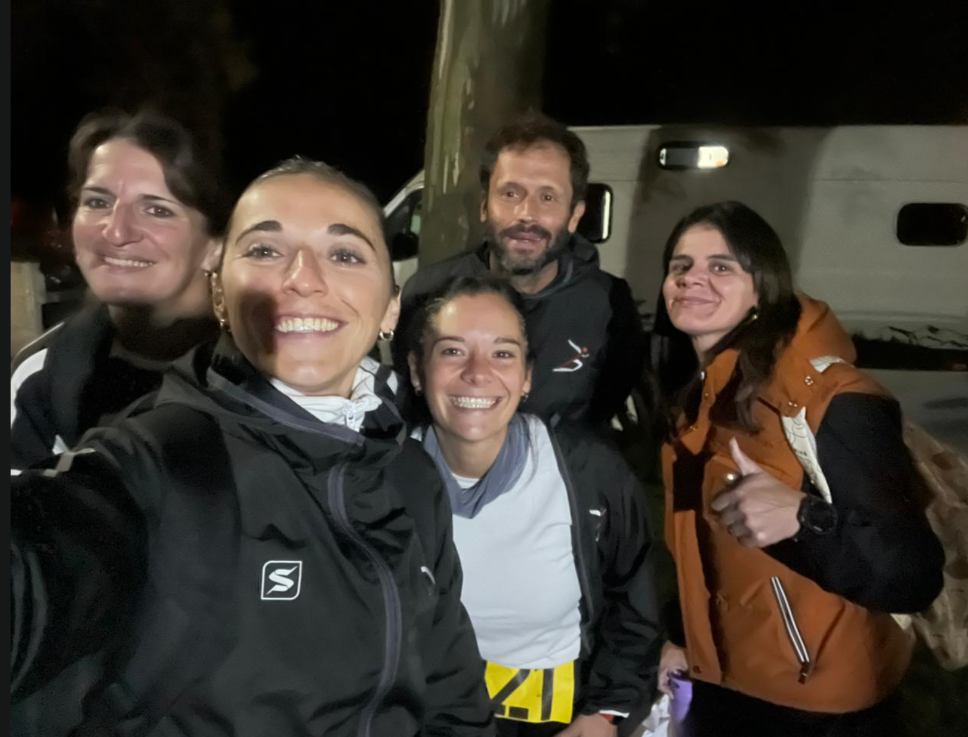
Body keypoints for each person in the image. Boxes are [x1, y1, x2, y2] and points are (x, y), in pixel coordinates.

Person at [11, 159, 494, 737]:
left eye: (344, 254)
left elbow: (452, 688)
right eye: (265, 250)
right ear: (219, 293)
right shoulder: (164, 465)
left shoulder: (410, 474)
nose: (302, 277)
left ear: (391, 305)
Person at [653, 202, 945, 736]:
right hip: (725, 687)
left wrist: (804, 519)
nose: (692, 278)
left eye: (721, 266)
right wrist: (684, 636)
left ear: (762, 287)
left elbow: (911, 573)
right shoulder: (699, 397)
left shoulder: (828, 398)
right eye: (681, 266)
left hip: (820, 710)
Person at [405, 275, 661, 737]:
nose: (477, 372)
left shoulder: (588, 472)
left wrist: (606, 712)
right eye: (452, 351)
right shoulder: (383, 481)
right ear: (417, 371)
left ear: (527, 376)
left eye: (503, 353)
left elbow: (634, 598)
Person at [395, 113, 646, 429]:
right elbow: (412, 409)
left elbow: (599, 418)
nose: (527, 213)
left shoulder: (609, 303)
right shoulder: (426, 292)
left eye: (548, 197)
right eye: (510, 194)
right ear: (484, 205)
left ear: (574, 215)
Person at [11, 109, 229, 472]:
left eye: (157, 210)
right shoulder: (45, 373)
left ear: (216, 246)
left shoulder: (273, 369)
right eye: (97, 202)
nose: (115, 232)